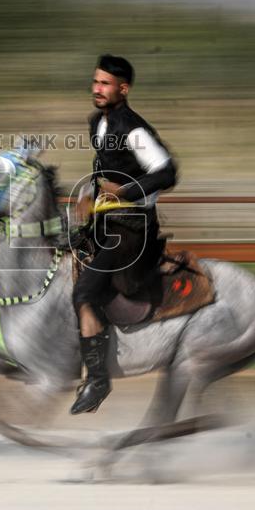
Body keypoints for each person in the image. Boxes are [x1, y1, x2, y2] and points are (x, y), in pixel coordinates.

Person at [70, 54, 178, 415]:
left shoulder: (134, 129)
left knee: (85, 291)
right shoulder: (96, 124)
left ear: (123, 88)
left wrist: (123, 193)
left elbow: (166, 173)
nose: (97, 89)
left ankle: (98, 379)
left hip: (133, 230)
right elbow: (103, 169)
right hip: (104, 223)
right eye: (96, 82)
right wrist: (90, 196)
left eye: (105, 84)